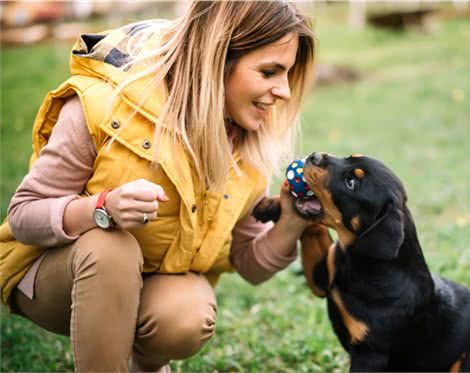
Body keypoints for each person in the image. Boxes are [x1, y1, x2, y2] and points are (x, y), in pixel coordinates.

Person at [0, 1, 315, 372]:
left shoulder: (244, 145)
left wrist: (292, 221)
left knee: (185, 314)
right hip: (50, 275)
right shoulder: (105, 106)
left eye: (287, 74)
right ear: (217, 58)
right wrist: (101, 208)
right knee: (110, 247)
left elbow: (248, 261)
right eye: (269, 72)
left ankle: (147, 365)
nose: (283, 91)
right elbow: (23, 215)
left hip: (147, 283)